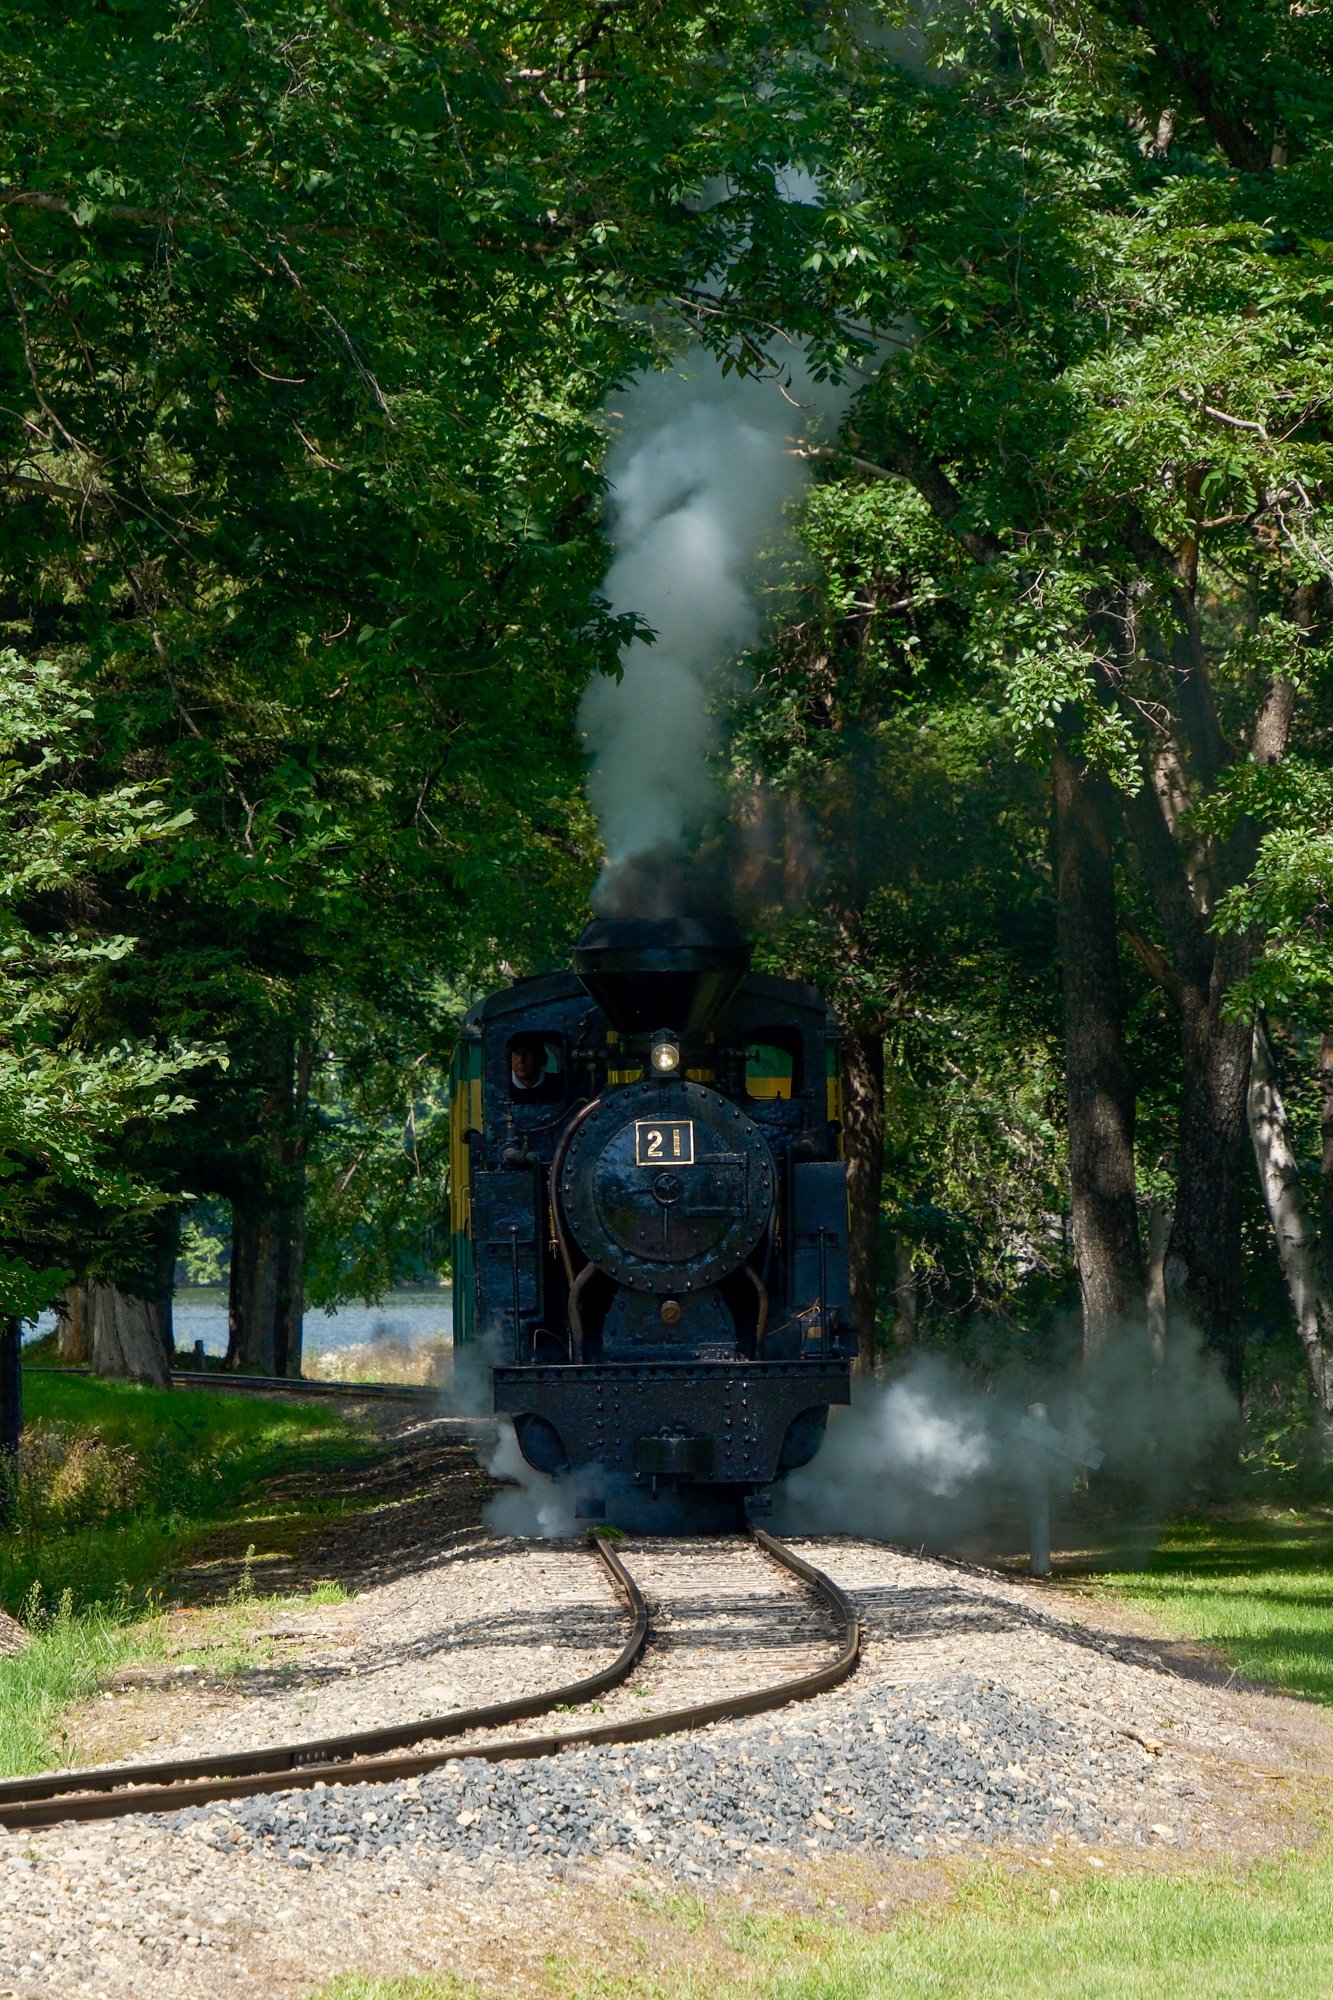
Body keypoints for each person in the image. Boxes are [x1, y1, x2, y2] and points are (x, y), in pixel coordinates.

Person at [509, 1033, 562, 1104]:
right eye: (516, 1054)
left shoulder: (560, 1085)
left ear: (543, 1058)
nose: (521, 1060)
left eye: (527, 1053)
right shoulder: (500, 1088)